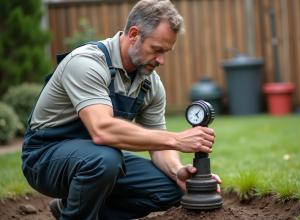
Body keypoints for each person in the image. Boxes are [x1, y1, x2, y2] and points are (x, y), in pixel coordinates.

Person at [21, 0, 221, 219]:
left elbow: (159, 145)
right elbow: (102, 130)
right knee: (105, 159)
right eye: (157, 50)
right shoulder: (87, 62)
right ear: (134, 34)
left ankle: (70, 208)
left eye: (167, 52)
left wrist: (177, 172)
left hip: (94, 157)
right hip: (45, 158)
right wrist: (177, 139)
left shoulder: (150, 84)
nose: (162, 60)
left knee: (173, 190)